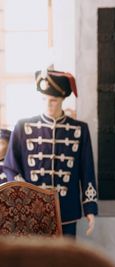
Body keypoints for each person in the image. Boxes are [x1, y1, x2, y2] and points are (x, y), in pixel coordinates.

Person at [3, 69, 98, 237]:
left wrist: (89, 208)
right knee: (34, 261)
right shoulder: (23, 127)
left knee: (65, 260)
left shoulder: (79, 129)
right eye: (44, 99)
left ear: (62, 99)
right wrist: (25, 195)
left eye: (53, 100)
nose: (48, 104)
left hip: (66, 209)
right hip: (31, 211)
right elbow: (11, 167)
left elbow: (87, 170)